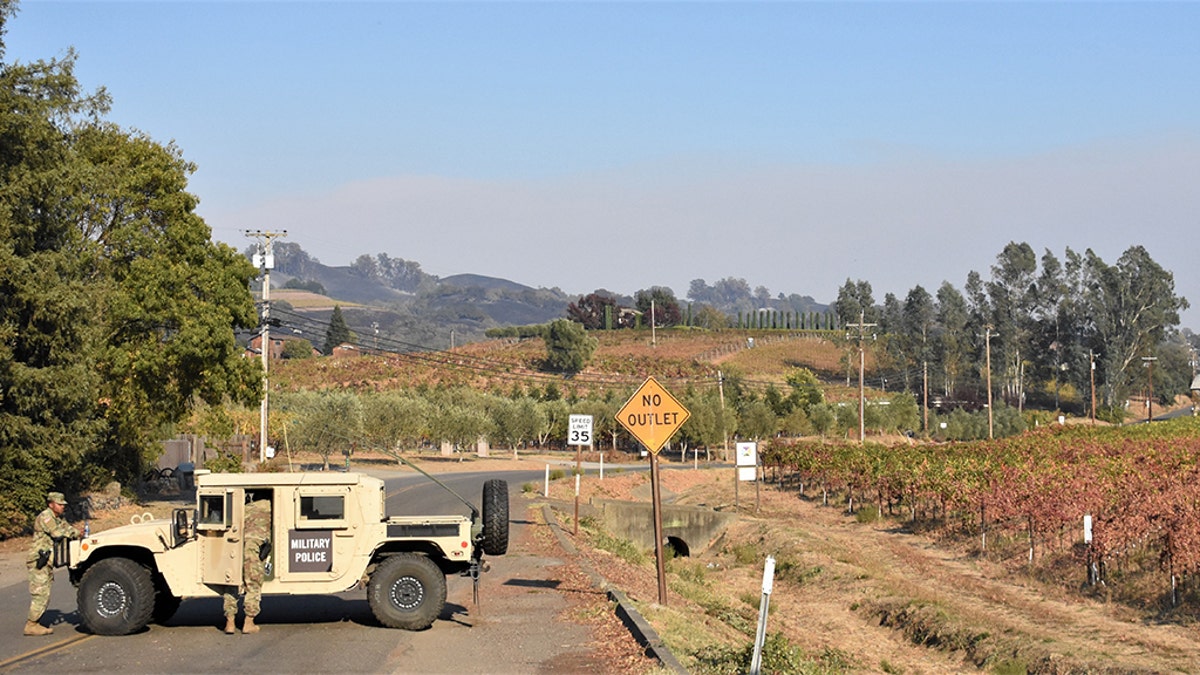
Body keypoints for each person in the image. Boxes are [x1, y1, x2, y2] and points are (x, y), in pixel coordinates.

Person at [25, 491, 80, 636]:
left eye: (63, 504)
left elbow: (69, 529)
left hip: (47, 560)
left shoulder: (58, 518)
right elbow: (58, 533)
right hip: (39, 560)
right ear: (51, 504)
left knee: (45, 592)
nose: (62, 507)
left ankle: (34, 622)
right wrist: (73, 533)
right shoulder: (46, 517)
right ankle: (31, 624)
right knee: (41, 593)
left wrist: (78, 533)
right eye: (59, 504)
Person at [222, 495, 271, 634]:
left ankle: (230, 622)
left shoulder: (244, 508)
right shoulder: (268, 507)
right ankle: (249, 622)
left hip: (236, 546)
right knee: (253, 583)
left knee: (231, 583)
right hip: (254, 548)